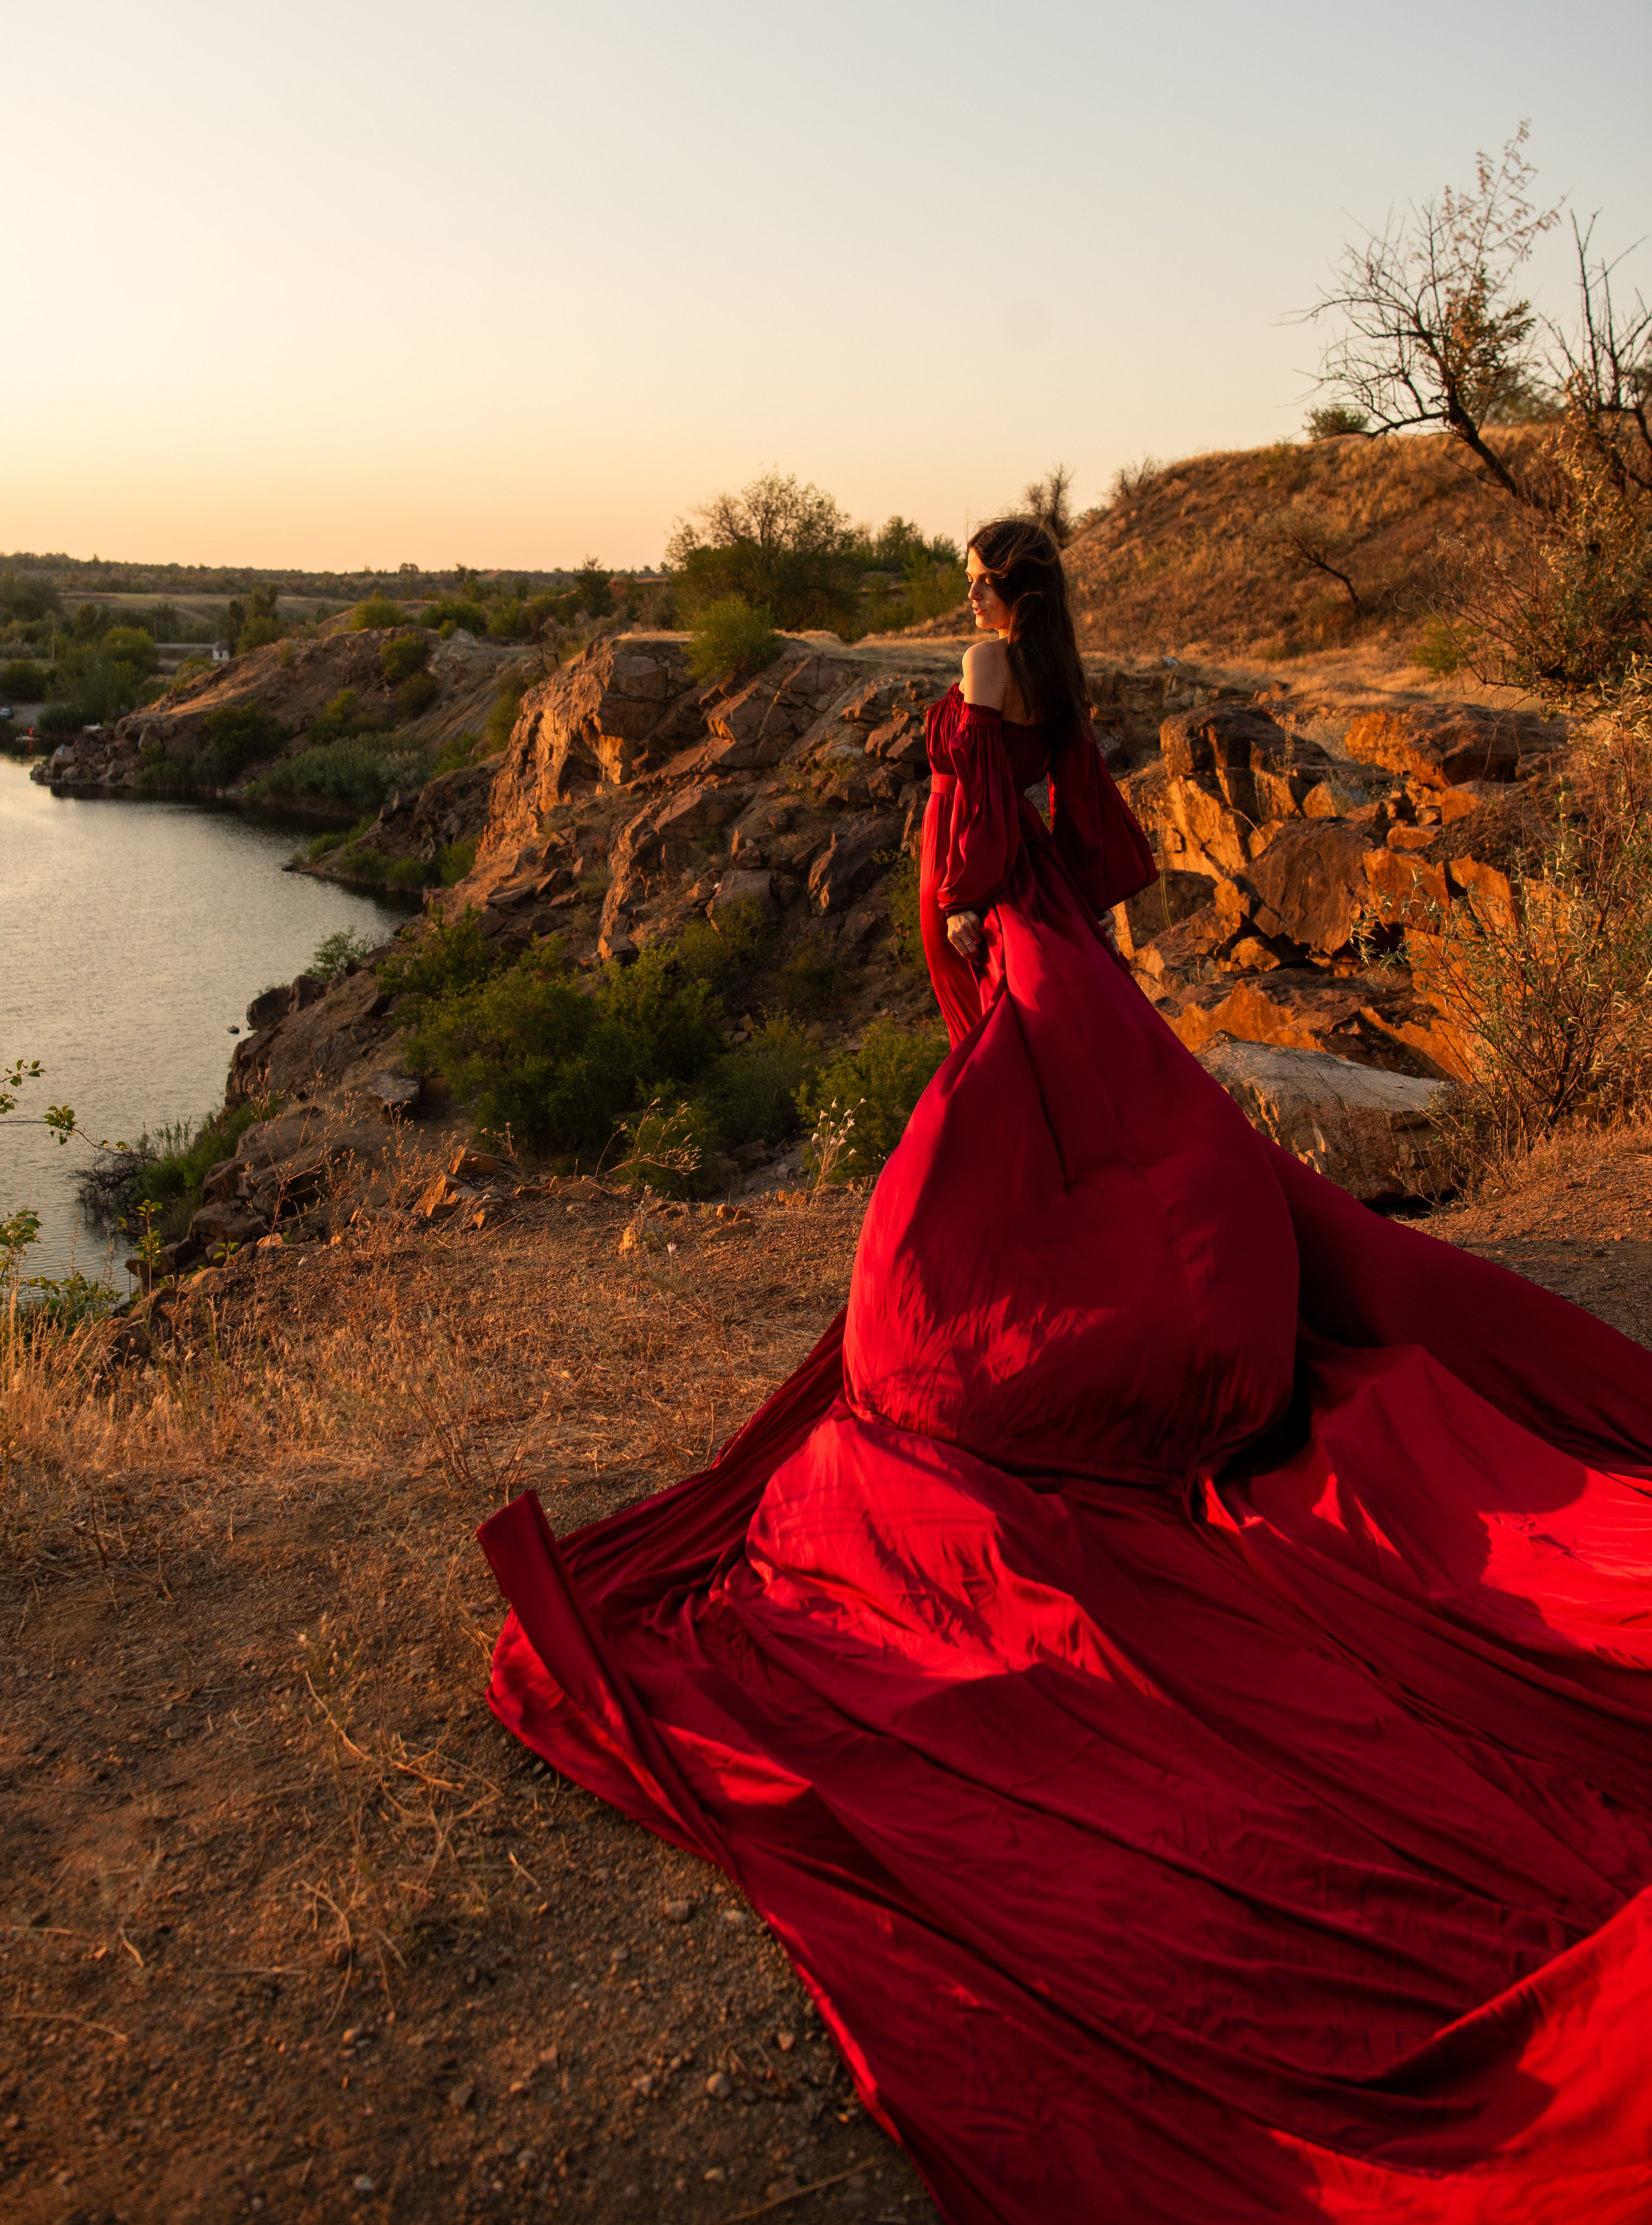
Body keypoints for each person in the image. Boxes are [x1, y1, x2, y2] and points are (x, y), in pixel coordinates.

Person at [479, 520, 1652, 2224]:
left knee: (963, 1270)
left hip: (1034, 979)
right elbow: (1101, 862)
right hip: (1087, 978)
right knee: (1195, 1200)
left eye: (969, 578)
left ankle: (1067, 1388)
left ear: (984, 595)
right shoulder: (1068, 684)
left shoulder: (981, 682)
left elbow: (964, 880)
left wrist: (976, 883)